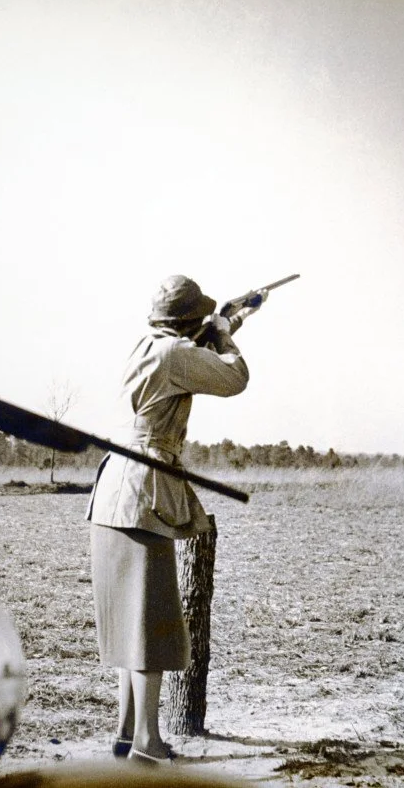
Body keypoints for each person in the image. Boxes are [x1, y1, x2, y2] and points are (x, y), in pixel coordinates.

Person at [86, 274, 262, 765]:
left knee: (131, 621)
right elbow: (234, 378)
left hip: (115, 492)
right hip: (144, 494)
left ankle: (127, 732)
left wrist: (223, 324)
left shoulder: (149, 346)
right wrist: (224, 333)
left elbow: (188, 357)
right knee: (152, 624)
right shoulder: (175, 354)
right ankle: (148, 742)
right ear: (189, 320)